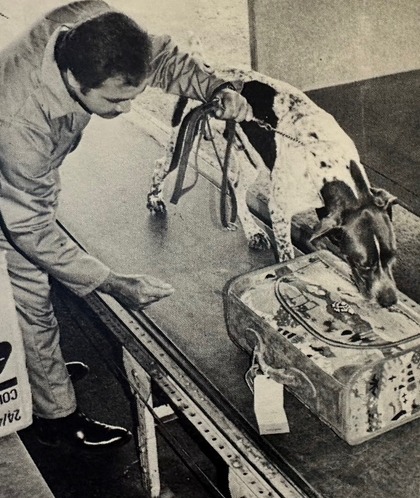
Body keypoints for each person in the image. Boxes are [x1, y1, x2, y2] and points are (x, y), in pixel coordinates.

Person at [0, 0, 252, 451]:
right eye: (116, 100)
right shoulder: (18, 120)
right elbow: (30, 228)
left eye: (133, 94)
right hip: (10, 181)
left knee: (32, 289)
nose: (129, 109)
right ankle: (55, 418)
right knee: (29, 290)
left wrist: (216, 89)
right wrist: (111, 282)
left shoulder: (96, 29)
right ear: (74, 80)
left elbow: (163, 58)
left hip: (30, 174)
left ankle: (38, 369)